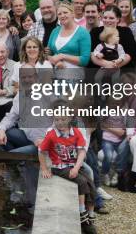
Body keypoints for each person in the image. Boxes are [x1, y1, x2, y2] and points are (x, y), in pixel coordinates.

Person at [38, 100, 97, 233]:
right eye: (57, 119)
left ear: (69, 118)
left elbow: (82, 150)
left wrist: (76, 167)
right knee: (81, 182)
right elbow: (41, 151)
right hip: (60, 166)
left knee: (91, 184)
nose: (60, 122)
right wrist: (44, 169)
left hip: (75, 164)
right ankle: (82, 214)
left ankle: (90, 214)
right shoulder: (51, 133)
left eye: (63, 119)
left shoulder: (76, 131)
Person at [47, 2, 91, 82]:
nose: (62, 15)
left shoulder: (83, 32)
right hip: (56, 76)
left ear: (72, 14)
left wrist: (62, 56)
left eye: (65, 12)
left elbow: (84, 60)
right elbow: (47, 53)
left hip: (75, 78)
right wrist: (56, 62)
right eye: (59, 14)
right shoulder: (55, 31)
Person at [89, 6, 136, 71]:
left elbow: (130, 54)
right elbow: (91, 53)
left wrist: (113, 66)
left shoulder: (126, 31)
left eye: (111, 18)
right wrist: (107, 65)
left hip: (121, 72)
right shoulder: (95, 31)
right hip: (98, 71)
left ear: (118, 19)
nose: (107, 20)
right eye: (105, 18)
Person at [100, 94, 127, 187]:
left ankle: (117, 173)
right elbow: (101, 124)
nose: (115, 105)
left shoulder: (124, 113)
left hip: (119, 140)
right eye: (113, 103)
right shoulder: (105, 111)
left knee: (122, 155)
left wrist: (108, 127)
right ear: (109, 103)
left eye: (118, 103)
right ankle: (105, 173)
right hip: (107, 139)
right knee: (108, 155)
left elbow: (123, 132)